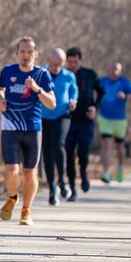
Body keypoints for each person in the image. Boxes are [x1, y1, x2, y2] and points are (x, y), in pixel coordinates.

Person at [0, 37, 56, 226]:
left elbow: (52, 104)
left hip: (33, 128)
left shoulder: (42, 75)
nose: (26, 55)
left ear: (36, 54)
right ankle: (13, 197)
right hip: (10, 127)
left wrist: (37, 89)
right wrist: (0, 99)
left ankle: (26, 210)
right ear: (17, 53)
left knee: (30, 173)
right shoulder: (8, 71)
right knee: (11, 170)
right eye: (22, 51)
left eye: (30, 52)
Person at [41, 48, 78, 205]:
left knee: (58, 144)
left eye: (60, 64)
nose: (57, 67)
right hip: (44, 117)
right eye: (54, 64)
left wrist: (73, 101)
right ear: (48, 60)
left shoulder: (69, 75)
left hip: (62, 115)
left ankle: (62, 180)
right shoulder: (41, 73)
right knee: (47, 151)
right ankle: (52, 187)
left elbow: (74, 91)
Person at [64, 47, 102, 201]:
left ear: (80, 60)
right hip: (68, 120)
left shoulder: (90, 74)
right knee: (69, 155)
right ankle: (73, 188)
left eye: (75, 61)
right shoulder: (64, 75)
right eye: (70, 62)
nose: (73, 64)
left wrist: (95, 107)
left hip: (86, 121)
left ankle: (84, 173)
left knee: (83, 152)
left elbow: (101, 92)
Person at [97, 61, 131, 183]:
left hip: (120, 120)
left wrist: (126, 96)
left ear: (120, 71)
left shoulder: (124, 82)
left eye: (117, 70)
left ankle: (120, 166)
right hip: (104, 118)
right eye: (113, 69)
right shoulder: (102, 81)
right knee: (106, 145)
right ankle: (106, 172)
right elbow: (94, 93)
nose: (115, 72)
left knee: (120, 147)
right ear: (108, 69)